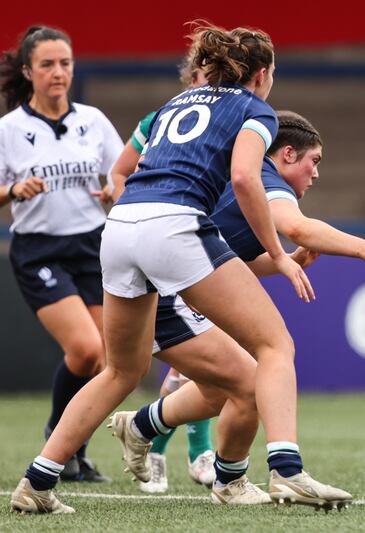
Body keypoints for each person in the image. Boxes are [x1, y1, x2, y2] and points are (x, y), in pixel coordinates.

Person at [9, 22, 321, 514]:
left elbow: (126, 169)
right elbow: (244, 177)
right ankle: (285, 471)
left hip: (119, 228)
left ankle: (37, 481)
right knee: (274, 345)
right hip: (173, 228)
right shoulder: (254, 108)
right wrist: (278, 254)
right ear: (262, 74)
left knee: (121, 370)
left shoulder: (174, 104)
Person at [112, 109, 365, 505]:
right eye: (313, 161)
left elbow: (235, 261)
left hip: (172, 282)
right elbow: (298, 226)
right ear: (285, 155)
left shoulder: (246, 188)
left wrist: (289, 260)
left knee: (235, 386)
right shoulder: (263, 175)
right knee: (265, 361)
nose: (316, 174)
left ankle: (147, 429)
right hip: (168, 292)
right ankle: (278, 471)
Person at [0, 26, 123, 483]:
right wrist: (13, 189)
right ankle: (59, 436)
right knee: (86, 349)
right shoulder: (10, 130)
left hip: (94, 246)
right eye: (48, 64)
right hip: (40, 251)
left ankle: (72, 452)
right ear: (28, 71)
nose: (58, 72)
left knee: (109, 362)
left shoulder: (92, 120)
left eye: (65, 63)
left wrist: (115, 189)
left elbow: (124, 170)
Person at [107, 47, 217, 494]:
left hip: (202, 242)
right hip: (167, 247)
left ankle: (161, 445)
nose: (208, 86)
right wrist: (133, 217)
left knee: (207, 361)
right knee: (211, 360)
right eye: (201, 77)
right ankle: (190, 451)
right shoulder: (160, 120)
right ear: (190, 80)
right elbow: (119, 174)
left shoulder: (229, 120)